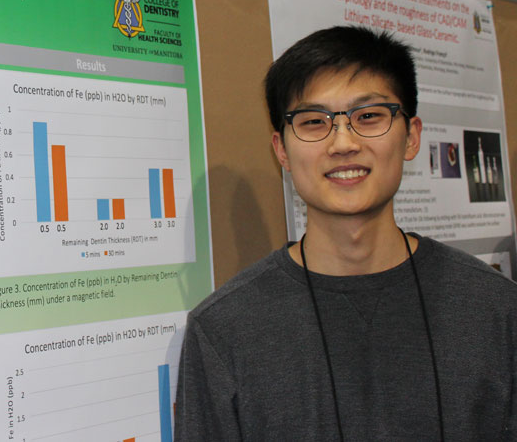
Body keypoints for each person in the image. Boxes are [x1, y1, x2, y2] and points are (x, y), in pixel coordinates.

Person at [175, 26, 517, 441]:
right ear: (281, 150)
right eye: (313, 121)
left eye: (368, 116)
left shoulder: (497, 310)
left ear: (411, 137)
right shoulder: (223, 330)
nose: (342, 143)